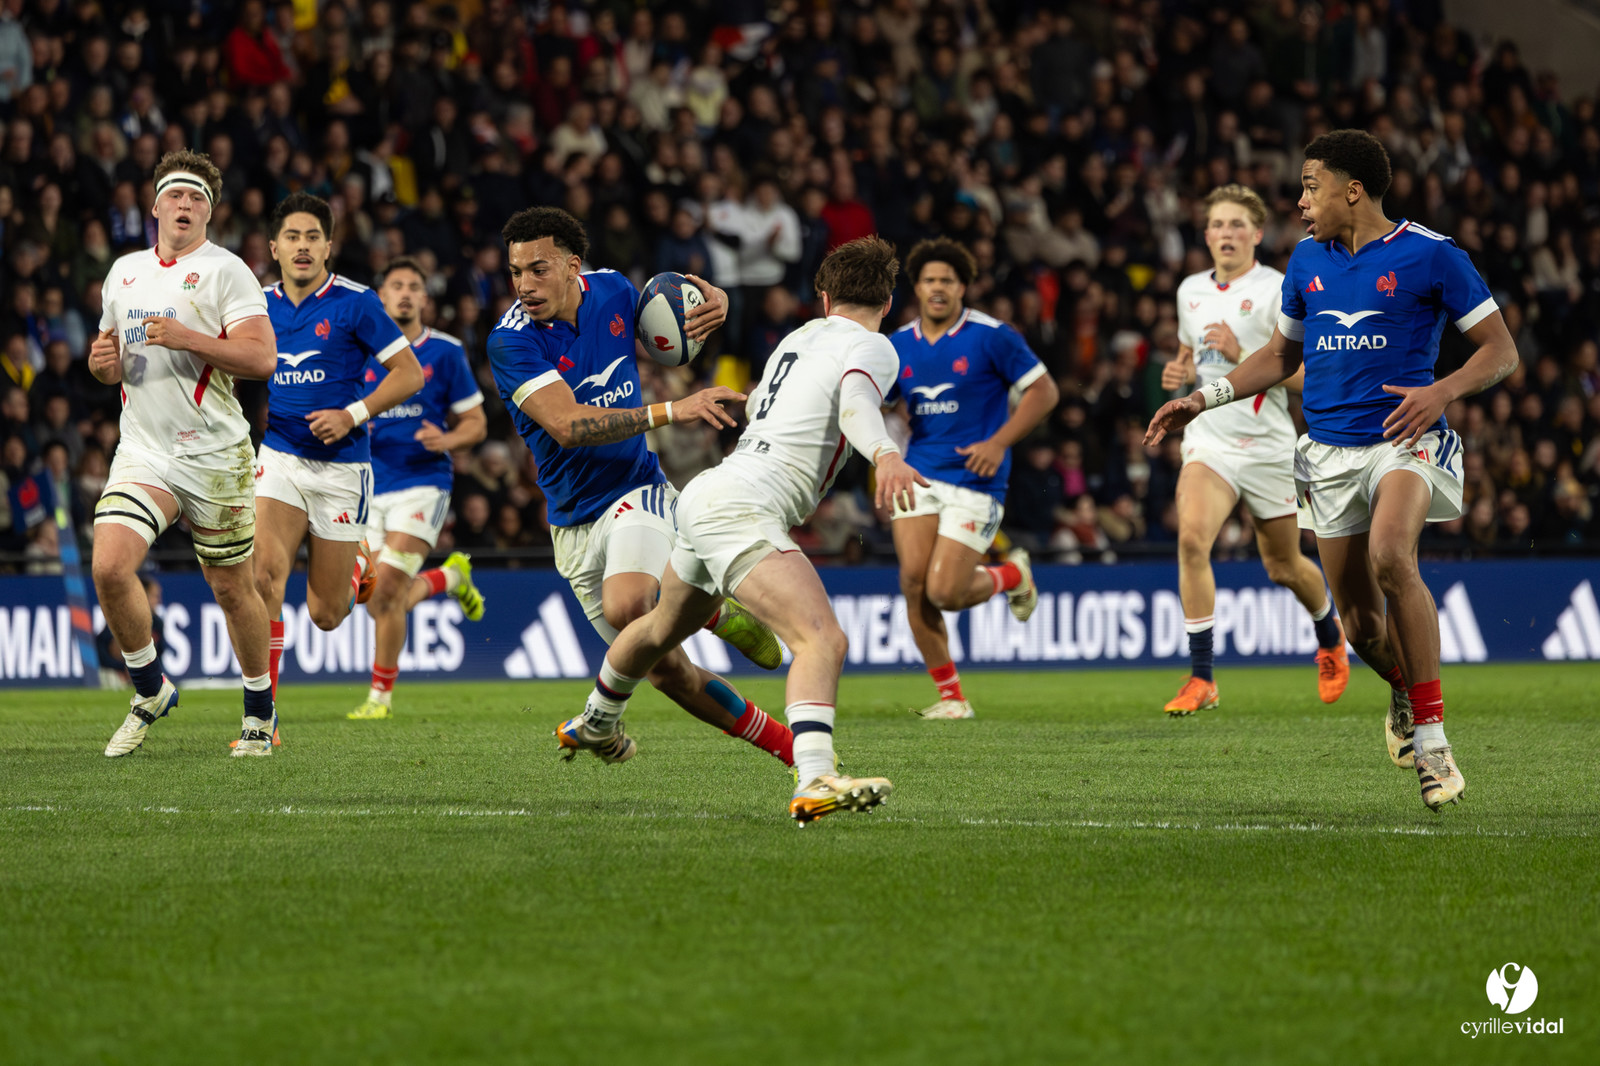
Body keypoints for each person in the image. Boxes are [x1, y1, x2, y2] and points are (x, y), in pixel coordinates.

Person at [1145, 131, 1519, 810]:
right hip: (1325, 452)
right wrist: (1204, 398)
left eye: (1311, 184)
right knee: (1360, 628)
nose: (1301, 199)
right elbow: (1279, 357)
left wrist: (1442, 391)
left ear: (1353, 190)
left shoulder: (1432, 254)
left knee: (1390, 559)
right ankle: (1405, 689)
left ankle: (1435, 747)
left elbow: (1501, 350)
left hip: (1404, 439)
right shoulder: (1307, 262)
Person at [572, 236, 927, 824]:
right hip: (744, 505)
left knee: (659, 626)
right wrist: (886, 453)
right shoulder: (873, 345)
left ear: (823, 297)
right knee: (823, 639)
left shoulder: (796, 338)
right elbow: (857, 403)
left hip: (711, 490)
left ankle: (596, 720)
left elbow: (768, 401)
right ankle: (815, 777)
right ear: (887, 302)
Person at [485, 206, 793, 766]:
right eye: (515, 272)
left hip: (637, 490)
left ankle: (688, 630)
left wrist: (712, 304)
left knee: (630, 605)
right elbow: (569, 426)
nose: (524, 285)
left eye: (539, 269)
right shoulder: (511, 342)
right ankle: (785, 741)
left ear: (573, 266)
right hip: (571, 523)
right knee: (666, 670)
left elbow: (672, 321)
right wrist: (675, 408)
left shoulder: (613, 291)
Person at [91, 150, 278, 758]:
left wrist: (189, 337)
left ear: (210, 211)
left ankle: (259, 714)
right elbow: (113, 355)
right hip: (144, 449)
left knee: (231, 588)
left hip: (215, 454)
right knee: (110, 567)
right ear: (155, 206)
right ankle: (149, 688)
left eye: (197, 197)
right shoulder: (122, 273)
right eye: (175, 194)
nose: (185, 204)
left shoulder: (229, 273)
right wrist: (102, 365)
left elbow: (261, 359)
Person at [1158, 185, 1350, 716]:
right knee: (1193, 539)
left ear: (1258, 234)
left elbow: (1312, 374)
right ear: (1205, 235)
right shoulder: (1189, 290)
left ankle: (1330, 635)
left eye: (1238, 224)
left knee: (1284, 566)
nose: (1226, 233)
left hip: (1267, 446)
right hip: (1210, 442)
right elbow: (1187, 354)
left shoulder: (1278, 289)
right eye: (1218, 224)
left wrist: (1244, 355)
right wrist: (1176, 375)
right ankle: (1202, 677)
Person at [252, 192, 424, 749]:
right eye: (292, 237)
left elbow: (409, 374)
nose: (302, 246)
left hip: (343, 468)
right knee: (262, 578)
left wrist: (351, 412)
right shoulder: (255, 305)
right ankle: (264, 720)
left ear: (329, 246)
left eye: (312, 237)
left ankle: (355, 569)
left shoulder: (356, 302)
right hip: (278, 455)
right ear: (273, 247)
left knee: (326, 614)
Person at [887, 238, 1057, 719]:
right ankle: (952, 699)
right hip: (918, 475)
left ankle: (1011, 574)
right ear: (916, 288)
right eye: (929, 280)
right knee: (914, 584)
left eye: (947, 280)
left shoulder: (992, 335)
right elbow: (878, 404)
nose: (937, 288)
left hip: (975, 480)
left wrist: (1000, 441)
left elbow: (1044, 393)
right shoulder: (897, 344)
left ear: (962, 287)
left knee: (945, 592)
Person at [350, 256, 488, 721]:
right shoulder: (362, 353)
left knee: (387, 588)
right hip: (367, 487)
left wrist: (447, 439)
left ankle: (379, 699)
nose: (405, 293)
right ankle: (450, 578)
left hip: (423, 483)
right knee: (372, 596)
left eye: (414, 286)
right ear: (381, 296)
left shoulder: (445, 352)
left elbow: (476, 423)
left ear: (425, 299)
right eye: (397, 285)